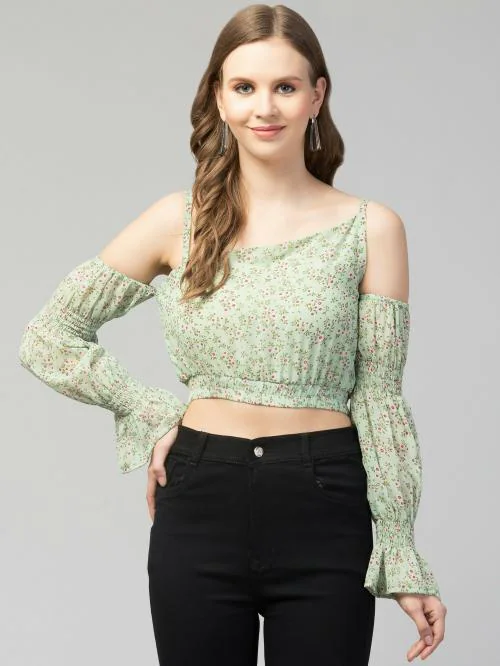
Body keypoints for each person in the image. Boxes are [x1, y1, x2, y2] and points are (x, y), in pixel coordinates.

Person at [18, 4, 447, 665]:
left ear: (317, 96)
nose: (264, 107)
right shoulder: (177, 221)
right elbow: (50, 336)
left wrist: (400, 548)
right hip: (201, 497)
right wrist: (149, 409)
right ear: (219, 98)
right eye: (244, 87)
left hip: (325, 504)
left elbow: (380, 399)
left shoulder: (371, 228)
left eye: (285, 86)